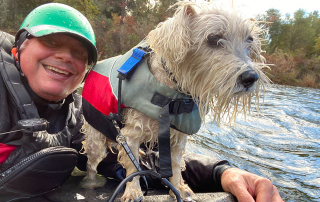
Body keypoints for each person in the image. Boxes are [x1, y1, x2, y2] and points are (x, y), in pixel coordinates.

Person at [0, 3, 283, 202]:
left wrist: (222, 171)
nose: (64, 57)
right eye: (50, 43)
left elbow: (145, 155)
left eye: (78, 52)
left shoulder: (79, 119)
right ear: (17, 48)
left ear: (86, 69)